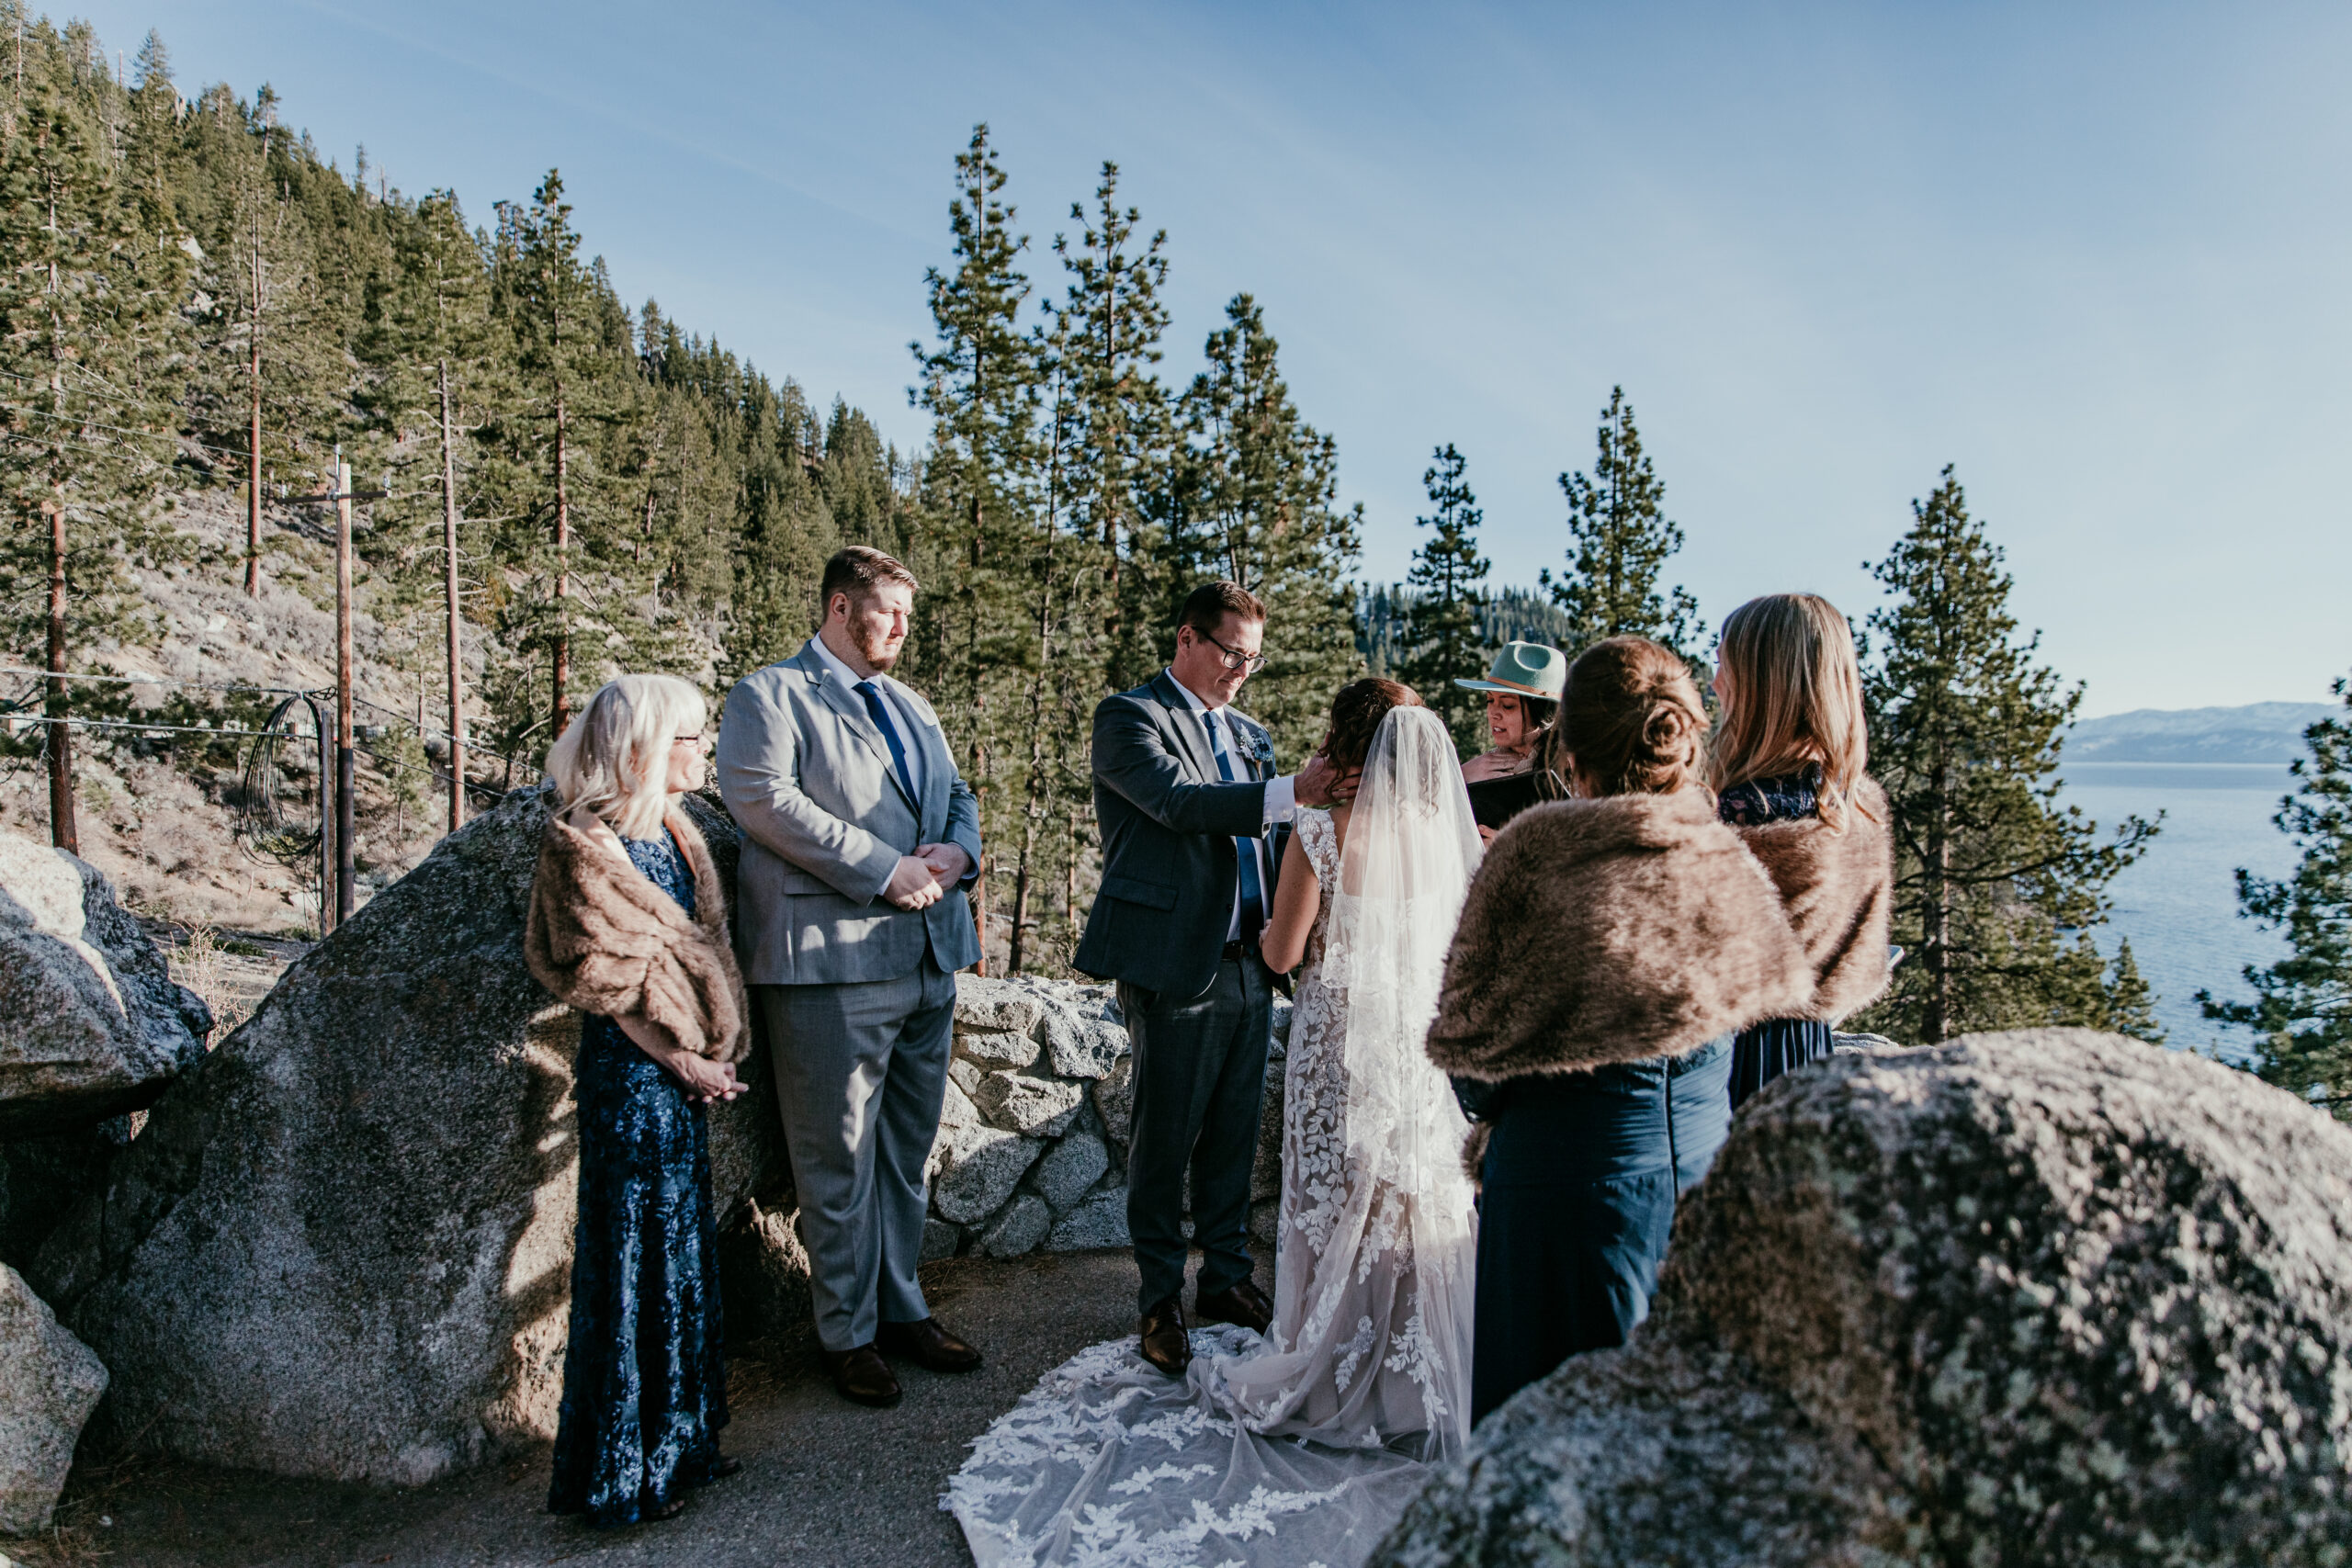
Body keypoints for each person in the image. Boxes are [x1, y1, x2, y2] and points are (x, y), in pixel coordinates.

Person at [946, 681, 1484, 1568]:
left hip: (1337, 1029)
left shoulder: (1319, 828)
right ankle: (1405, 1373)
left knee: (1333, 1190)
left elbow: (1279, 950)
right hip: (1415, 1038)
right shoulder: (1444, 838)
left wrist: (1309, 945)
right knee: (1409, 1190)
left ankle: (1321, 1356)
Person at [1426, 636, 1814, 1426]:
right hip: (1703, 1184)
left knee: (1542, 1443)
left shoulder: (1533, 854)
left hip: (1560, 1197)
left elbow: (1471, 1055)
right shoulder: (1727, 855)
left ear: (1568, 746)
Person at [715, 546, 986, 1411]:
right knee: (836, 1160)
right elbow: (761, 797)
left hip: (929, 958)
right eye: (889, 612)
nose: (904, 628)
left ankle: (903, 1309)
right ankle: (847, 1333)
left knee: (905, 1157)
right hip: (827, 964)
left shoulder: (915, 706)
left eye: (910, 614)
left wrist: (959, 851)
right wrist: (883, 867)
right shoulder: (771, 694)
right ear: (839, 608)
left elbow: (958, 796)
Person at [1071, 581, 1353, 1378]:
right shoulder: (1129, 717)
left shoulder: (1254, 736)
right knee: (1165, 1139)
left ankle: (1226, 1277)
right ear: (1188, 638)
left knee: (1234, 1131)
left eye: (1254, 659)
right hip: (1175, 961)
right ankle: (1159, 1296)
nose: (1241, 671)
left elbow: (1274, 840)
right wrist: (1292, 792)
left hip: (1252, 962)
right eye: (1232, 652)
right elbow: (1177, 803)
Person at [526, 673, 750, 1528]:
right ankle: (625, 1470)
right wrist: (681, 1061)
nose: (702, 747)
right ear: (644, 747)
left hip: (683, 1071)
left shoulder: (676, 829)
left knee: (682, 1251)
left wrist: (710, 1052)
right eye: (689, 736)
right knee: (632, 1260)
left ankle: (683, 1441)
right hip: (632, 1079)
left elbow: (700, 951)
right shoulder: (586, 844)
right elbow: (606, 985)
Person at [1709, 593, 1896, 1110]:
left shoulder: (1741, 810)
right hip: (1809, 1046)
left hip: (1730, 1058)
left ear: (1763, 683)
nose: (1714, 682)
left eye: (1725, 663)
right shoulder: (1852, 804)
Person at [1456, 640, 1566, 784]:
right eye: (1489, 700)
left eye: (1507, 705)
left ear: (1543, 713)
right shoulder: (1480, 768)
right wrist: (1461, 777)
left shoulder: (1573, 772)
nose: (1492, 713)